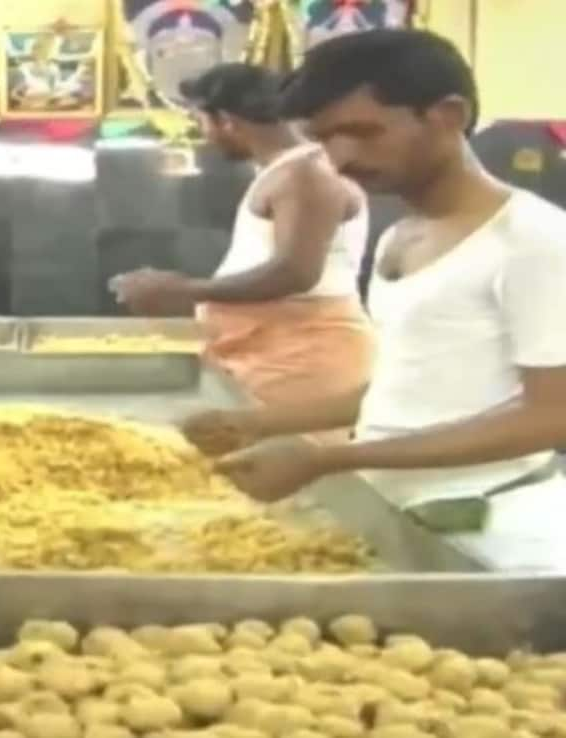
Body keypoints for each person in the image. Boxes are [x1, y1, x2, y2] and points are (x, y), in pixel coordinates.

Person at [183, 29, 566, 570]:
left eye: (362, 132)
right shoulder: (401, 237)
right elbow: (407, 389)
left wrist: (330, 457)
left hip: (499, 536)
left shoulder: (534, 241)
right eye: (323, 139)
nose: (341, 158)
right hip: (404, 520)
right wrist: (261, 423)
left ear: (448, 116)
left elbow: (552, 415)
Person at [112, 63, 374, 425]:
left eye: (201, 121)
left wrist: (183, 290)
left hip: (303, 356)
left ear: (226, 120)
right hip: (270, 350)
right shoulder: (287, 170)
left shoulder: (305, 173)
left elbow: (295, 272)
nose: (203, 135)